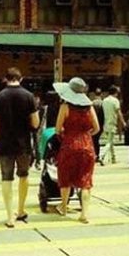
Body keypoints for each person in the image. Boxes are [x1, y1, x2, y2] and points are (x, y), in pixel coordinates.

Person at [0, 67, 39, 228]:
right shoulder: (29, 96)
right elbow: (35, 123)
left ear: (6, 79)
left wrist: (0, 142)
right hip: (23, 144)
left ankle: (9, 216)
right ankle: (20, 210)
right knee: (23, 175)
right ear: (21, 78)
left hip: (5, 144)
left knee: (6, 178)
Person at [54, 77, 100, 223]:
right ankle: (84, 214)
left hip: (69, 145)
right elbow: (97, 128)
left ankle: (63, 207)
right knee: (86, 180)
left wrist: (67, 133)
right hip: (87, 147)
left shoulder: (65, 107)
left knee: (65, 177)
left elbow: (57, 129)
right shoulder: (89, 107)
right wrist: (86, 134)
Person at [102, 85, 125, 164]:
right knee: (109, 142)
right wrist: (123, 122)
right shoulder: (115, 101)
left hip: (105, 123)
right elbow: (119, 113)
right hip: (112, 123)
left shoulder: (104, 100)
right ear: (115, 93)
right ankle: (102, 156)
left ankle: (113, 158)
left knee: (110, 141)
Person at [91, 88, 105, 164]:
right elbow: (103, 116)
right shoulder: (102, 103)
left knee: (94, 140)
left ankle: (94, 154)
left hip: (92, 124)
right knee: (96, 140)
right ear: (101, 94)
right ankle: (97, 155)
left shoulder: (91, 103)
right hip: (100, 124)